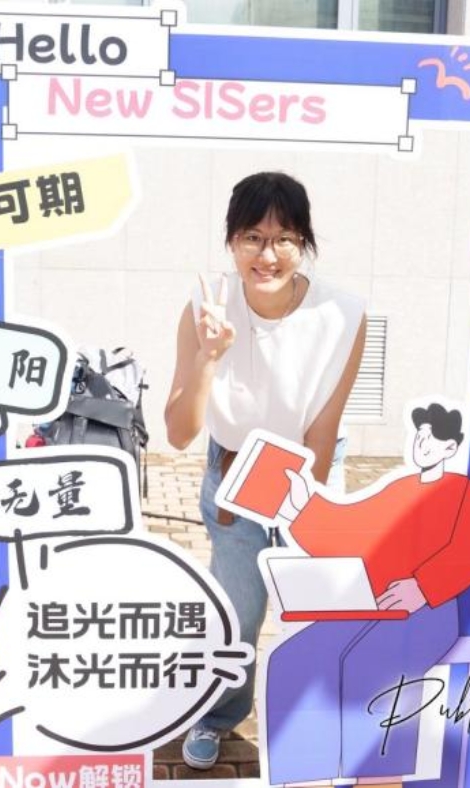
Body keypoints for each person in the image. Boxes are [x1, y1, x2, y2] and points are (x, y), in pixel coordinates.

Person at [164, 171, 367, 770]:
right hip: (232, 477)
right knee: (237, 612)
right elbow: (178, 432)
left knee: (312, 610)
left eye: (284, 239)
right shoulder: (206, 308)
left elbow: (322, 431)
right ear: (231, 241)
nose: (268, 254)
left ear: (304, 242)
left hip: (310, 473)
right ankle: (218, 713)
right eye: (252, 237)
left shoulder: (342, 314)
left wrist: (301, 514)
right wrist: (209, 355)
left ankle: (309, 722)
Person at [264, 403, 470, 784]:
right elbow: (352, 529)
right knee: (293, 657)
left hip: (430, 613)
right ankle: (306, 774)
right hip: (374, 606)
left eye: (432, 438)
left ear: (450, 448)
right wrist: (301, 508)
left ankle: (379, 780)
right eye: (420, 435)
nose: (422, 443)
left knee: (373, 666)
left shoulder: (463, 493)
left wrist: (423, 586)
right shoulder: (400, 489)